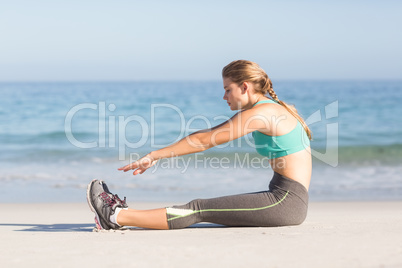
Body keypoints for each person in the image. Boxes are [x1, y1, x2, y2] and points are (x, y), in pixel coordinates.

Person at [87, 60, 312, 230]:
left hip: (285, 202)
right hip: (284, 197)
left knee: (198, 209)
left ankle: (115, 216)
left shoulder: (263, 113)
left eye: (227, 89)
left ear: (244, 87)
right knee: (201, 207)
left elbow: (204, 140)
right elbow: (208, 135)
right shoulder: (272, 108)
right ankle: (118, 215)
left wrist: (154, 155)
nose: (224, 96)